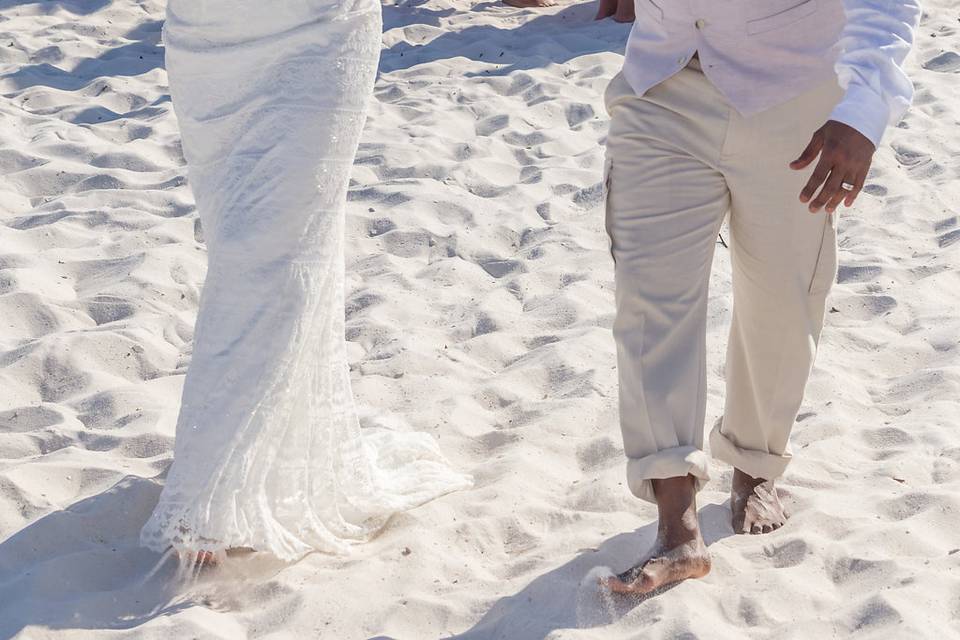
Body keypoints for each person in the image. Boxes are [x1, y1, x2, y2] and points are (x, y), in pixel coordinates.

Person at [595, 0, 921, 594]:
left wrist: (864, 109)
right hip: (659, 84)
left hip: (793, 100)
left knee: (782, 299)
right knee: (648, 298)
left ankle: (756, 463)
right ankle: (677, 522)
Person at [140, 0, 471, 567]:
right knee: (238, 246)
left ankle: (213, 507)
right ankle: (248, 460)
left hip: (320, 29)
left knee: (267, 252)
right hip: (206, 38)